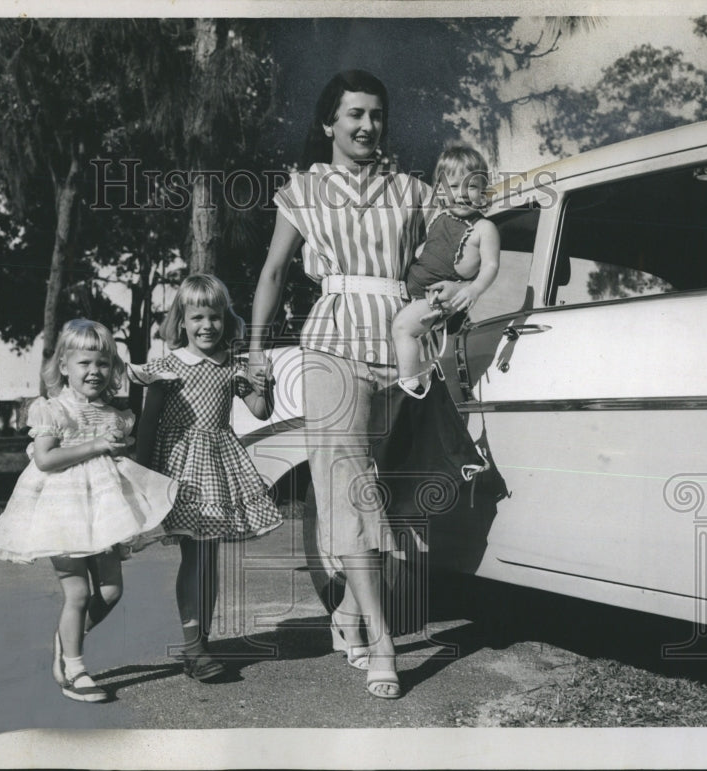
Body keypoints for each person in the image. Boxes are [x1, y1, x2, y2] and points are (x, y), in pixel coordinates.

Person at [248, 70, 435, 699]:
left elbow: (456, 247)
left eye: (376, 115)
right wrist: (252, 352)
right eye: (354, 114)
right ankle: (383, 642)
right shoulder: (302, 190)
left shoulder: (412, 189)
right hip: (332, 350)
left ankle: (349, 614)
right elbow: (274, 272)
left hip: (402, 355)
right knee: (352, 493)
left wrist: (470, 282)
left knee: (373, 489)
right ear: (329, 122)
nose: (366, 126)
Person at [0, 319, 178, 703]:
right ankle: (75, 669)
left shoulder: (116, 415)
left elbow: (114, 455)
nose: (94, 371)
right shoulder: (53, 410)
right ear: (63, 366)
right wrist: (95, 446)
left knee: (110, 591)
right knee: (76, 593)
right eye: (84, 363)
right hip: (62, 507)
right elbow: (44, 459)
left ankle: (65, 641)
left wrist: (115, 449)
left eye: (103, 363)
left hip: (103, 508)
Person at [127, 274, 282, 682]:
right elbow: (148, 424)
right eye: (197, 317)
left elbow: (261, 410)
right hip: (180, 467)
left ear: (225, 319)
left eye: (214, 317)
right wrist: (143, 477)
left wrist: (264, 381)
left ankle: (201, 644)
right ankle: (194, 648)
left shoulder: (231, 368)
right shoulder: (168, 367)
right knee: (195, 557)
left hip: (218, 464)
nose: (206, 326)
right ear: (181, 321)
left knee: (209, 559)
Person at [392, 143, 501, 397]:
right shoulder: (438, 218)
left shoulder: (484, 228)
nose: (462, 194)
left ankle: (409, 385)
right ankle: (411, 378)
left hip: (434, 297)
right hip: (411, 291)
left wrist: (474, 289)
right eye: (454, 186)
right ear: (440, 190)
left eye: (472, 186)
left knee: (402, 329)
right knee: (401, 336)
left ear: (483, 192)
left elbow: (491, 265)